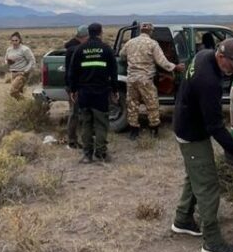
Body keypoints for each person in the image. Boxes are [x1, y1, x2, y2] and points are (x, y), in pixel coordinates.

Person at [171, 38, 233, 252]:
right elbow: (216, 127)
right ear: (221, 57)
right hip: (192, 133)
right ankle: (212, 241)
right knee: (208, 185)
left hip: (185, 122)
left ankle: (182, 219)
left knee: (195, 174)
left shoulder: (204, 55)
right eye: (232, 66)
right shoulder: (209, 81)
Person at [120, 22, 186, 140]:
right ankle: (154, 131)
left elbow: (121, 55)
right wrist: (175, 67)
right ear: (151, 31)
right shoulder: (152, 44)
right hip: (145, 80)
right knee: (152, 105)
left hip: (131, 79)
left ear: (141, 31)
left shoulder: (130, 43)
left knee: (132, 105)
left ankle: (134, 132)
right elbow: (162, 62)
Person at [68, 23, 118, 163]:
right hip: (101, 93)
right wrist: (114, 90)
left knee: (86, 123)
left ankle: (87, 154)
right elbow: (113, 73)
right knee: (101, 123)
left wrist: (73, 90)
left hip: (84, 93)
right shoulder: (106, 49)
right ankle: (100, 153)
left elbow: (73, 72)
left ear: (89, 33)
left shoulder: (80, 49)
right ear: (100, 33)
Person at [64, 25, 89, 149]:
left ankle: (73, 140)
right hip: (76, 86)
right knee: (75, 113)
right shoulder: (75, 50)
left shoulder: (71, 48)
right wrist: (73, 89)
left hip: (73, 86)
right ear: (84, 37)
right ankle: (72, 141)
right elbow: (73, 72)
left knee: (75, 112)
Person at [4, 31, 36, 99]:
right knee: (19, 92)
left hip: (21, 73)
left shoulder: (25, 49)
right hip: (13, 73)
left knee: (13, 92)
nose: (14, 42)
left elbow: (32, 61)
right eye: (12, 40)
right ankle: (23, 106)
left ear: (20, 40)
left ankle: (27, 102)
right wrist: (8, 62)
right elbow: (6, 59)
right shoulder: (9, 49)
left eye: (16, 40)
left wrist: (25, 71)